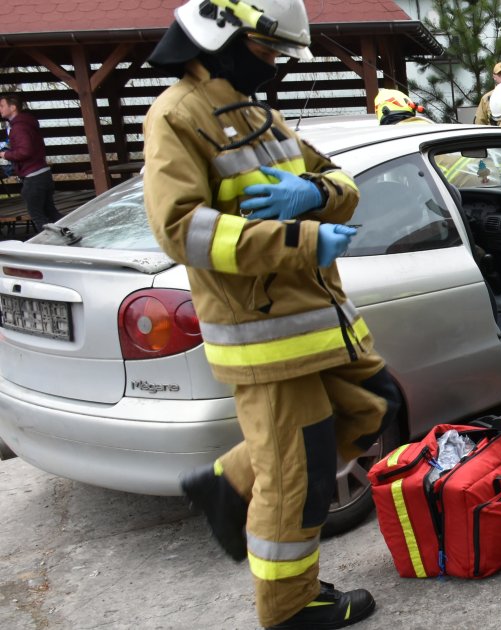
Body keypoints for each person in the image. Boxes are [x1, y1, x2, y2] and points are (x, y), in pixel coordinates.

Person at [142, 1, 402, 628]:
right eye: (266, 53)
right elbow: (181, 231)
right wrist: (303, 241)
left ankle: (228, 482)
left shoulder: (259, 114)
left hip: (323, 319)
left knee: (377, 406)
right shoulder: (177, 116)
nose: (275, 68)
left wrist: (316, 192)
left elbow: (342, 183)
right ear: (218, 35)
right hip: (265, 337)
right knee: (297, 477)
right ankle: (290, 608)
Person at [0, 93, 61, 230]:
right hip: (43, 173)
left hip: (33, 177)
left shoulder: (19, 127)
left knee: (38, 216)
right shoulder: (26, 123)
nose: (0, 109)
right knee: (51, 213)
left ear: (13, 107)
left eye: (2, 105)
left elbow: (25, 151)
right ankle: (72, 233)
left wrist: (5, 154)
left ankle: (51, 245)